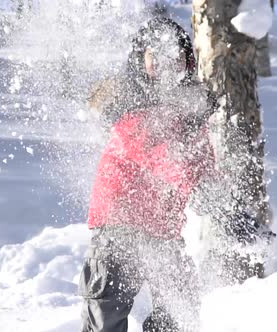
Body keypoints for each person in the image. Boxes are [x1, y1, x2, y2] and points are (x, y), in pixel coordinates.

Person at [79, 17, 215, 332]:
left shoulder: (192, 109)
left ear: (187, 61)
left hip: (164, 230)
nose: (167, 67)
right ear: (143, 60)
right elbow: (152, 151)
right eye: (157, 59)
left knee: (180, 305)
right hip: (118, 228)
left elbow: (203, 159)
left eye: (175, 59)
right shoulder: (128, 101)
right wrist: (191, 183)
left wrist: (221, 198)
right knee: (106, 315)